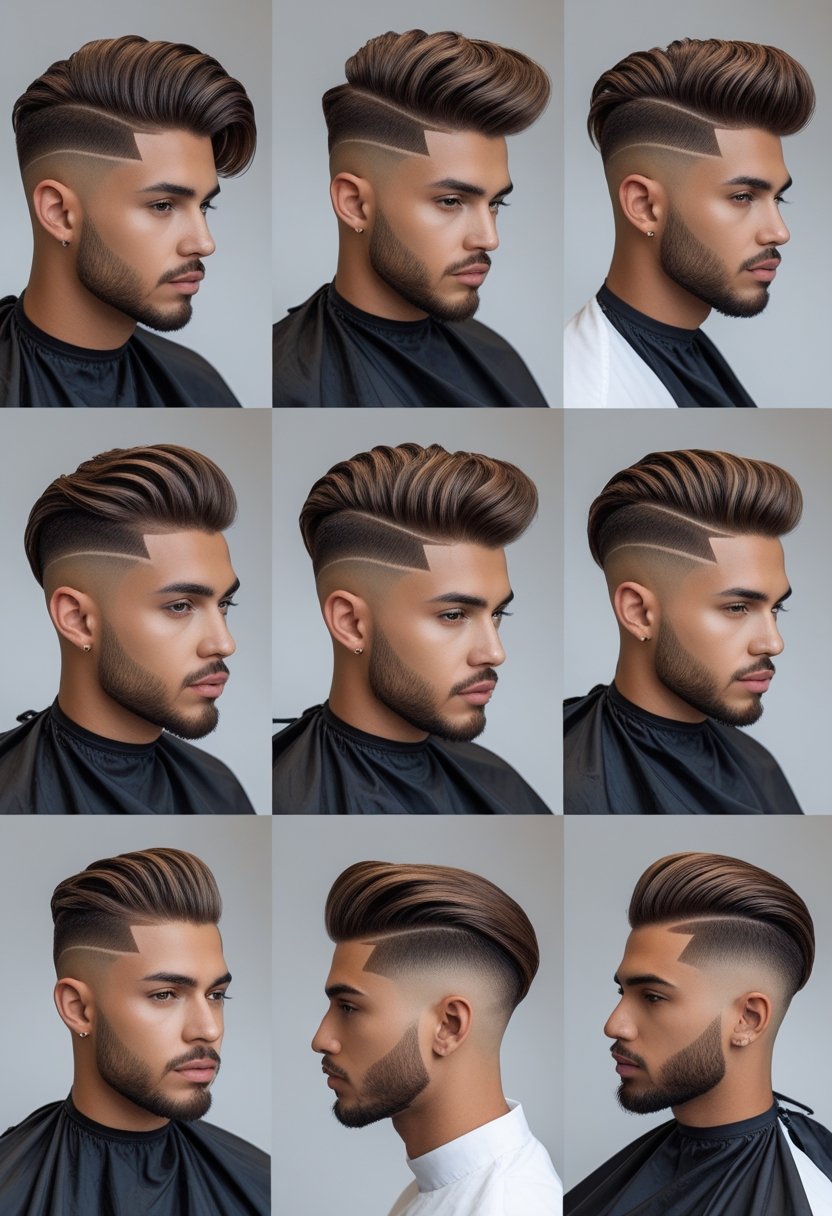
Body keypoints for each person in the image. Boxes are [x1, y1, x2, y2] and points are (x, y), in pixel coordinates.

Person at [273, 29, 550, 408]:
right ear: (354, 204)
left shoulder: (498, 359)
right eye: (451, 201)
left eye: (495, 203)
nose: (488, 238)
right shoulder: (285, 386)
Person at [273, 442, 550, 813]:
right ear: (351, 623)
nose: (494, 652)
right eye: (453, 615)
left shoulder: (500, 786)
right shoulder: (279, 796)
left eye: (498, 613)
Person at [0, 847, 269, 1215]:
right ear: (77, 1009)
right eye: (164, 995)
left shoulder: (260, 1185)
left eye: (216, 994)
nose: (208, 1028)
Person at [565, 851, 832, 1215]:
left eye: (654, 997)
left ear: (748, 1020)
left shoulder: (810, 1198)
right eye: (622, 992)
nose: (614, 1025)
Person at [1, 35, 257, 408]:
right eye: (163, 205)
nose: (204, 243)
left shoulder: (199, 387)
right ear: (59, 214)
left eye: (204, 207)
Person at [0, 444, 255, 813]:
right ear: (78, 620)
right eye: (180, 606)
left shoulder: (218, 786)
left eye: (224, 604)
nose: (224, 643)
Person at [564, 39, 815, 408]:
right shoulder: (591, 394)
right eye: (743, 197)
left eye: (777, 198)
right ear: (645, 206)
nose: (779, 232)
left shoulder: (687, 346)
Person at [313, 859, 562, 1214]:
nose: (322, 1039)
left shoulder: (508, 1205)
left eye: (349, 1008)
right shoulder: (427, 1191)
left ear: (449, 1026)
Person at [564, 449, 802, 814]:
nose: (773, 642)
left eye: (775, 608)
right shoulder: (569, 779)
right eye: (737, 607)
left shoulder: (759, 766)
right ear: (639, 612)